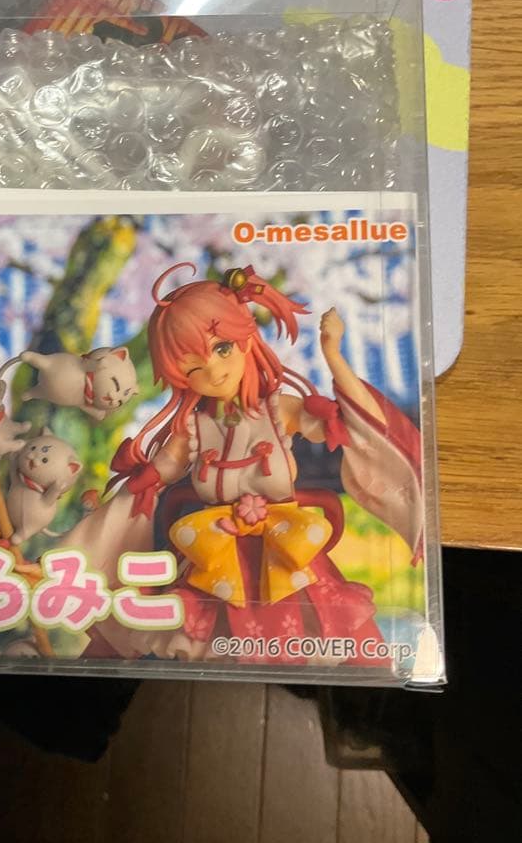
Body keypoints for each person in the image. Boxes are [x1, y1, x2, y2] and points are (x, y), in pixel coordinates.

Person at [63, 262, 423, 665]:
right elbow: (162, 469)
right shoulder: (193, 427)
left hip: (287, 554)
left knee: (353, 643)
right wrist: (127, 493)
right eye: (193, 368)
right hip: (212, 561)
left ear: (246, 339)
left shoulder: (278, 410)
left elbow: (349, 421)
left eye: (222, 349)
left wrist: (332, 354)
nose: (214, 371)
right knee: (182, 649)